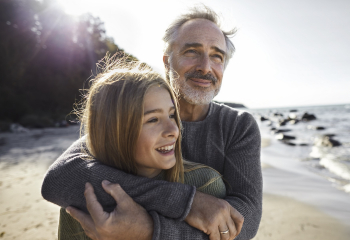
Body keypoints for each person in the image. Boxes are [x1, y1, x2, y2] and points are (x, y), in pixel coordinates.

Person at [42, 5, 262, 240]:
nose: (205, 66)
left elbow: (243, 222)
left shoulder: (239, 126)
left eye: (217, 56)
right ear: (167, 62)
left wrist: (149, 231)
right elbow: (60, 178)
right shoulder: (132, 113)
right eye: (192, 52)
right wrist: (184, 201)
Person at [56, 57, 237, 239]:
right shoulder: (83, 197)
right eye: (153, 119)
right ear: (115, 131)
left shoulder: (206, 185)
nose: (174, 130)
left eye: (172, 115)